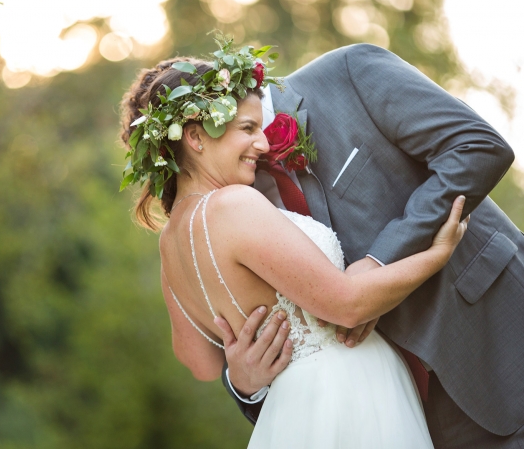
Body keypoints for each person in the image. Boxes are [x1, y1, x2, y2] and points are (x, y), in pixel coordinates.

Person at [119, 37, 470, 448]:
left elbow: (196, 360)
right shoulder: (233, 205)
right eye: (247, 129)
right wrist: (437, 254)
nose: (264, 144)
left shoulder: (170, 242)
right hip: (349, 392)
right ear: (195, 137)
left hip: (292, 411)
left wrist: (242, 376)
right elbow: (348, 305)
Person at [212, 43, 523, 449]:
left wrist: (380, 260)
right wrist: (242, 383)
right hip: (396, 421)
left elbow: (477, 147)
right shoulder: (228, 194)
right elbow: (240, 321)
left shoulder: (349, 72)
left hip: (496, 339)